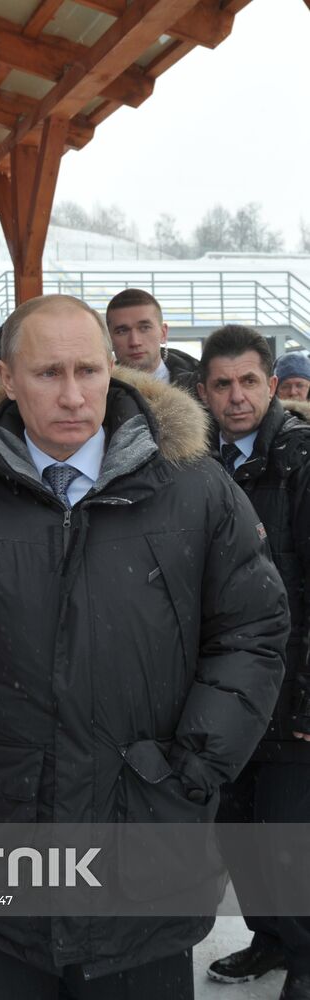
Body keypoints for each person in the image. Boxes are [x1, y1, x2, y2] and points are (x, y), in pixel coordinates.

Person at [0, 294, 288, 1000]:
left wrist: (192, 766)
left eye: (87, 371)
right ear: (5, 378)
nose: (72, 397)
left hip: (146, 838)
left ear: (113, 369)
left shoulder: (194, 491)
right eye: (46, 374)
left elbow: (250, 632)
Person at [197, 325, 310, 1000]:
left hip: (290, 689)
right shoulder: (194, 463)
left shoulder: (301, 461)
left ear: (270, 385)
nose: (235, 397)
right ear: (203, 391)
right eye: (221, 384)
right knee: (237, 831)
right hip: (223, 687)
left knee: (287, 837)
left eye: (248, 382)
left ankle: (305, 955)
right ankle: (268, 936)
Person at [105, 287, 198, 388]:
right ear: (109, 340)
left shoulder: (202, 384)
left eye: (144, 328)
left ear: (163, 333)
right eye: (122, 331)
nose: (135, 342)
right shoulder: (97, 391)